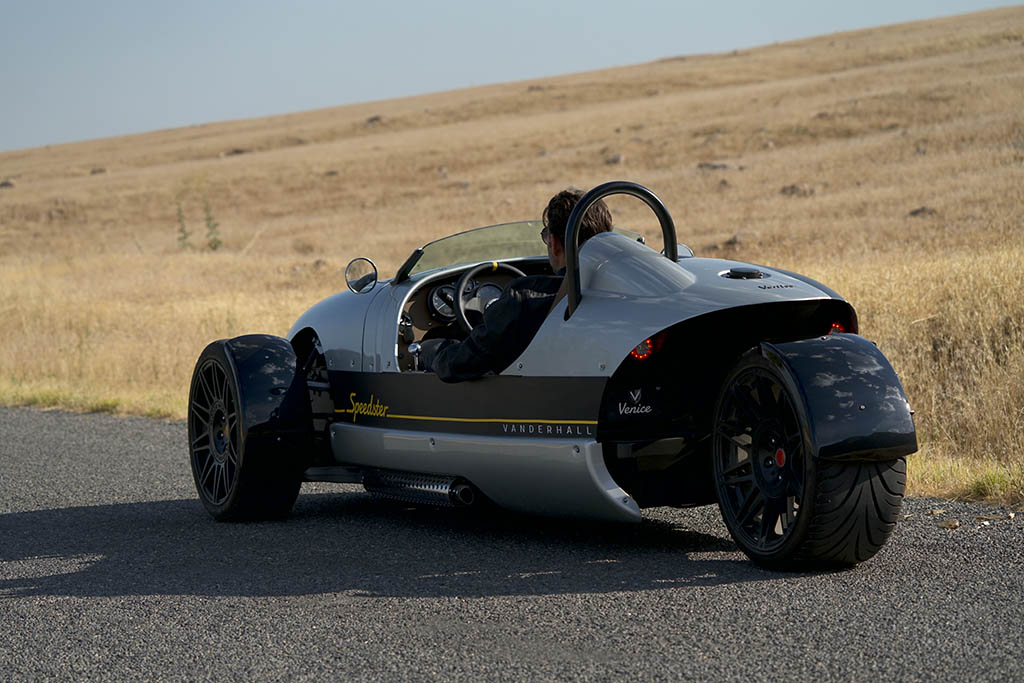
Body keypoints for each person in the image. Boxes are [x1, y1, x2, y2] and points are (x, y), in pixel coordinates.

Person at [419, 188, 613, 382]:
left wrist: (436, 353)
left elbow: (461, 364)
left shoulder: (524, 298)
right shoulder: (614, 294)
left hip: (536, 394)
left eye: (547, 236)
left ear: (554, 243)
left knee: (427, 351)